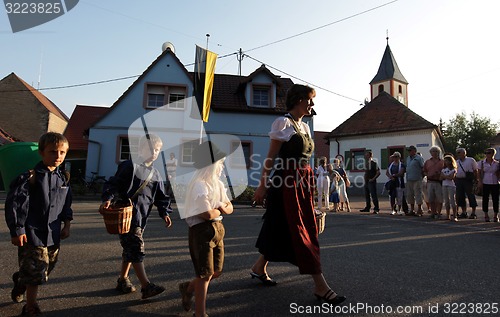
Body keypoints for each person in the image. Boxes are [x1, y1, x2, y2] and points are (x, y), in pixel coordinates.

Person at [251, 84, 345, 306]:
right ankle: (321, 286)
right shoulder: (283, 123)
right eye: (310, 100)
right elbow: (270, 158)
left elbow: (306, 161)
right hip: (286, 182)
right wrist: (262, 186)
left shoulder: (305, 126)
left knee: (280, 226)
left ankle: (258, 267)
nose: (312, 104)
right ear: (299, 100)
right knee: (303, 230)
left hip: (303, 181)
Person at [5, 132, 73, 316]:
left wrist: (66, 224)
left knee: (46, 267)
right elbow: (16, 204)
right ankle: (30, 308)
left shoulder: (63, 178)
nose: (57, 156)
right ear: (42, 153)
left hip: (53, 233)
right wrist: (17, 229)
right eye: (52, 152)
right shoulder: (30, 177)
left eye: (62, 152)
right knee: (36, 273)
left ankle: (20, 281)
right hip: (32, 233)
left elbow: (66, 204)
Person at [100, 134, 172, 300]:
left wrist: (164, 212)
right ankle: (146, 286)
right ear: (140, 149)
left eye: (157, 150)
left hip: (141, 218)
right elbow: (114, 184)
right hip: (126, 217)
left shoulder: (155, 174)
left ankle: (123, 280)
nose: (154, 152)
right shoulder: (129, 166)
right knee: (136, 248)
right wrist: (108, 199)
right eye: (150, 148)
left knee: (130, 249)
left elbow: (161, 197)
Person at [178, 141, 234, 317]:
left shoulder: (218, 184)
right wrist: (221, 207)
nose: (222, 167)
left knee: (215, 271)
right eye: (220, 163)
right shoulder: (199, 184)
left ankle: (188, 288)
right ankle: (200, 313)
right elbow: (205, 214)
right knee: (204, 275)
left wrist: (220, 207)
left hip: (218, 230)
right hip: (201, 232)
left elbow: (231, 207)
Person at [455, 148, 479, 219]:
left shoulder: (471, 160)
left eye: (459, 152)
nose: (458, 154)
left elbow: (475, 170)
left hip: (468, 180)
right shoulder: (456, 162)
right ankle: (464, 212)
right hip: (459, 180)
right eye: (457, 153)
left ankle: (473, 212)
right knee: (460, 196)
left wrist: (476, 179)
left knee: (471, 196)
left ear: (464, 153)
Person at [477, 148, 500, 222]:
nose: (487, 154)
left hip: (495, 182)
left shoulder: (497, 163)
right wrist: (480, 182)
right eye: (486, 153)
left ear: (493, 154)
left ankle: (495, 215)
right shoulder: (482, 163)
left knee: (495, 199)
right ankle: (486, 214)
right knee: (485, 199)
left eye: (489, 153)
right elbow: (479, 173)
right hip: (485, 182)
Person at [423, 146, 444, 219]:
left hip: (438, 182)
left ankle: (439, 212)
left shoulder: (442, 162)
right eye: (433, 151)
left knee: (439, 198)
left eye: (436, 151)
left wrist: (439, 174)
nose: (434, 153)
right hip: (430, 182)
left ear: (438, 153)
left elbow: (445, 171)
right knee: (431, 198)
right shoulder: (427, 162)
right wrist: (428, 174)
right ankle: (433, 212)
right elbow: (424, 171)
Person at [405, 145, 425, 216]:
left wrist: (422, 177)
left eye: (410, 150)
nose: (409, 152)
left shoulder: (419, 158)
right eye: (409, 151)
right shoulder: (408, 158)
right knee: (410, 195)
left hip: (417, 179)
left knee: (418, 194)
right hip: (409, 179)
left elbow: (423, 168)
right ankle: (412, 209)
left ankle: (419, 209)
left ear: (414, 151)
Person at [441, 155, 458, 221]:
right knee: (446, 201)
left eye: (447, 161)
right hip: (444, 185)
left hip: (451, 185)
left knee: (452, 201)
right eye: (445, 161)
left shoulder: (453, 169)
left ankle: (455, 215)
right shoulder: (443, 169)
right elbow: (440, 177)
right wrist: (446, 176)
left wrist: (445, 176)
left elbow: (451, 177)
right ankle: (447, 215)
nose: (445, 162)